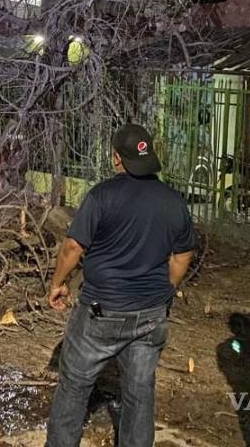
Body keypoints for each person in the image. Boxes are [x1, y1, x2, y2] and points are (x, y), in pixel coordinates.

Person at [46, 124, 196, 447]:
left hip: (101, 312)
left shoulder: (102, 196)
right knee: (140, 392)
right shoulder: (173, 202)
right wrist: (167, 288)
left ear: (117, 158)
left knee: (74, 386)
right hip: (151, 315)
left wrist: (58, 283)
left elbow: (73, 247)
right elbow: (183, 254)